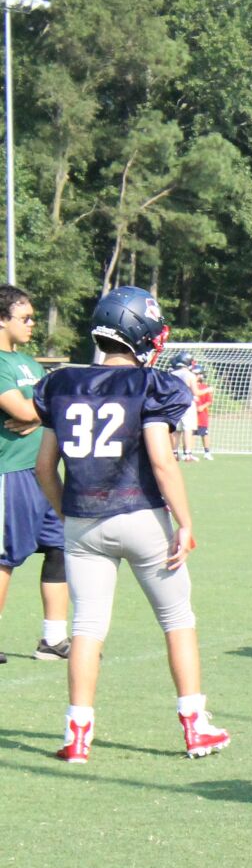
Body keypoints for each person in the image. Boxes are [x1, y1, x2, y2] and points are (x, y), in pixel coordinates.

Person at [32, 286, 229, 762]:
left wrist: (66, 512)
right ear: (142, 334)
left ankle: (77, 735)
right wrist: (184, 521)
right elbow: (162, 462)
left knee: (87, 626)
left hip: (83, 522)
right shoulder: (151, 384)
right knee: (178, 619)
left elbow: (43, 467)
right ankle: (194, 726)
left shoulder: (61, 382)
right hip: (141, 515)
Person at [0, 284, 69, 663]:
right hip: (9, 474)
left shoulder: (28, 362)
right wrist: (38, 412)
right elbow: (25, 412)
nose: (31, 324)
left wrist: (39, 412)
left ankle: (53, 640)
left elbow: (48, 405)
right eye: (24, 318)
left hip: (43, 473)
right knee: (5, 556)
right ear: (1, 319)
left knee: (60, 547)